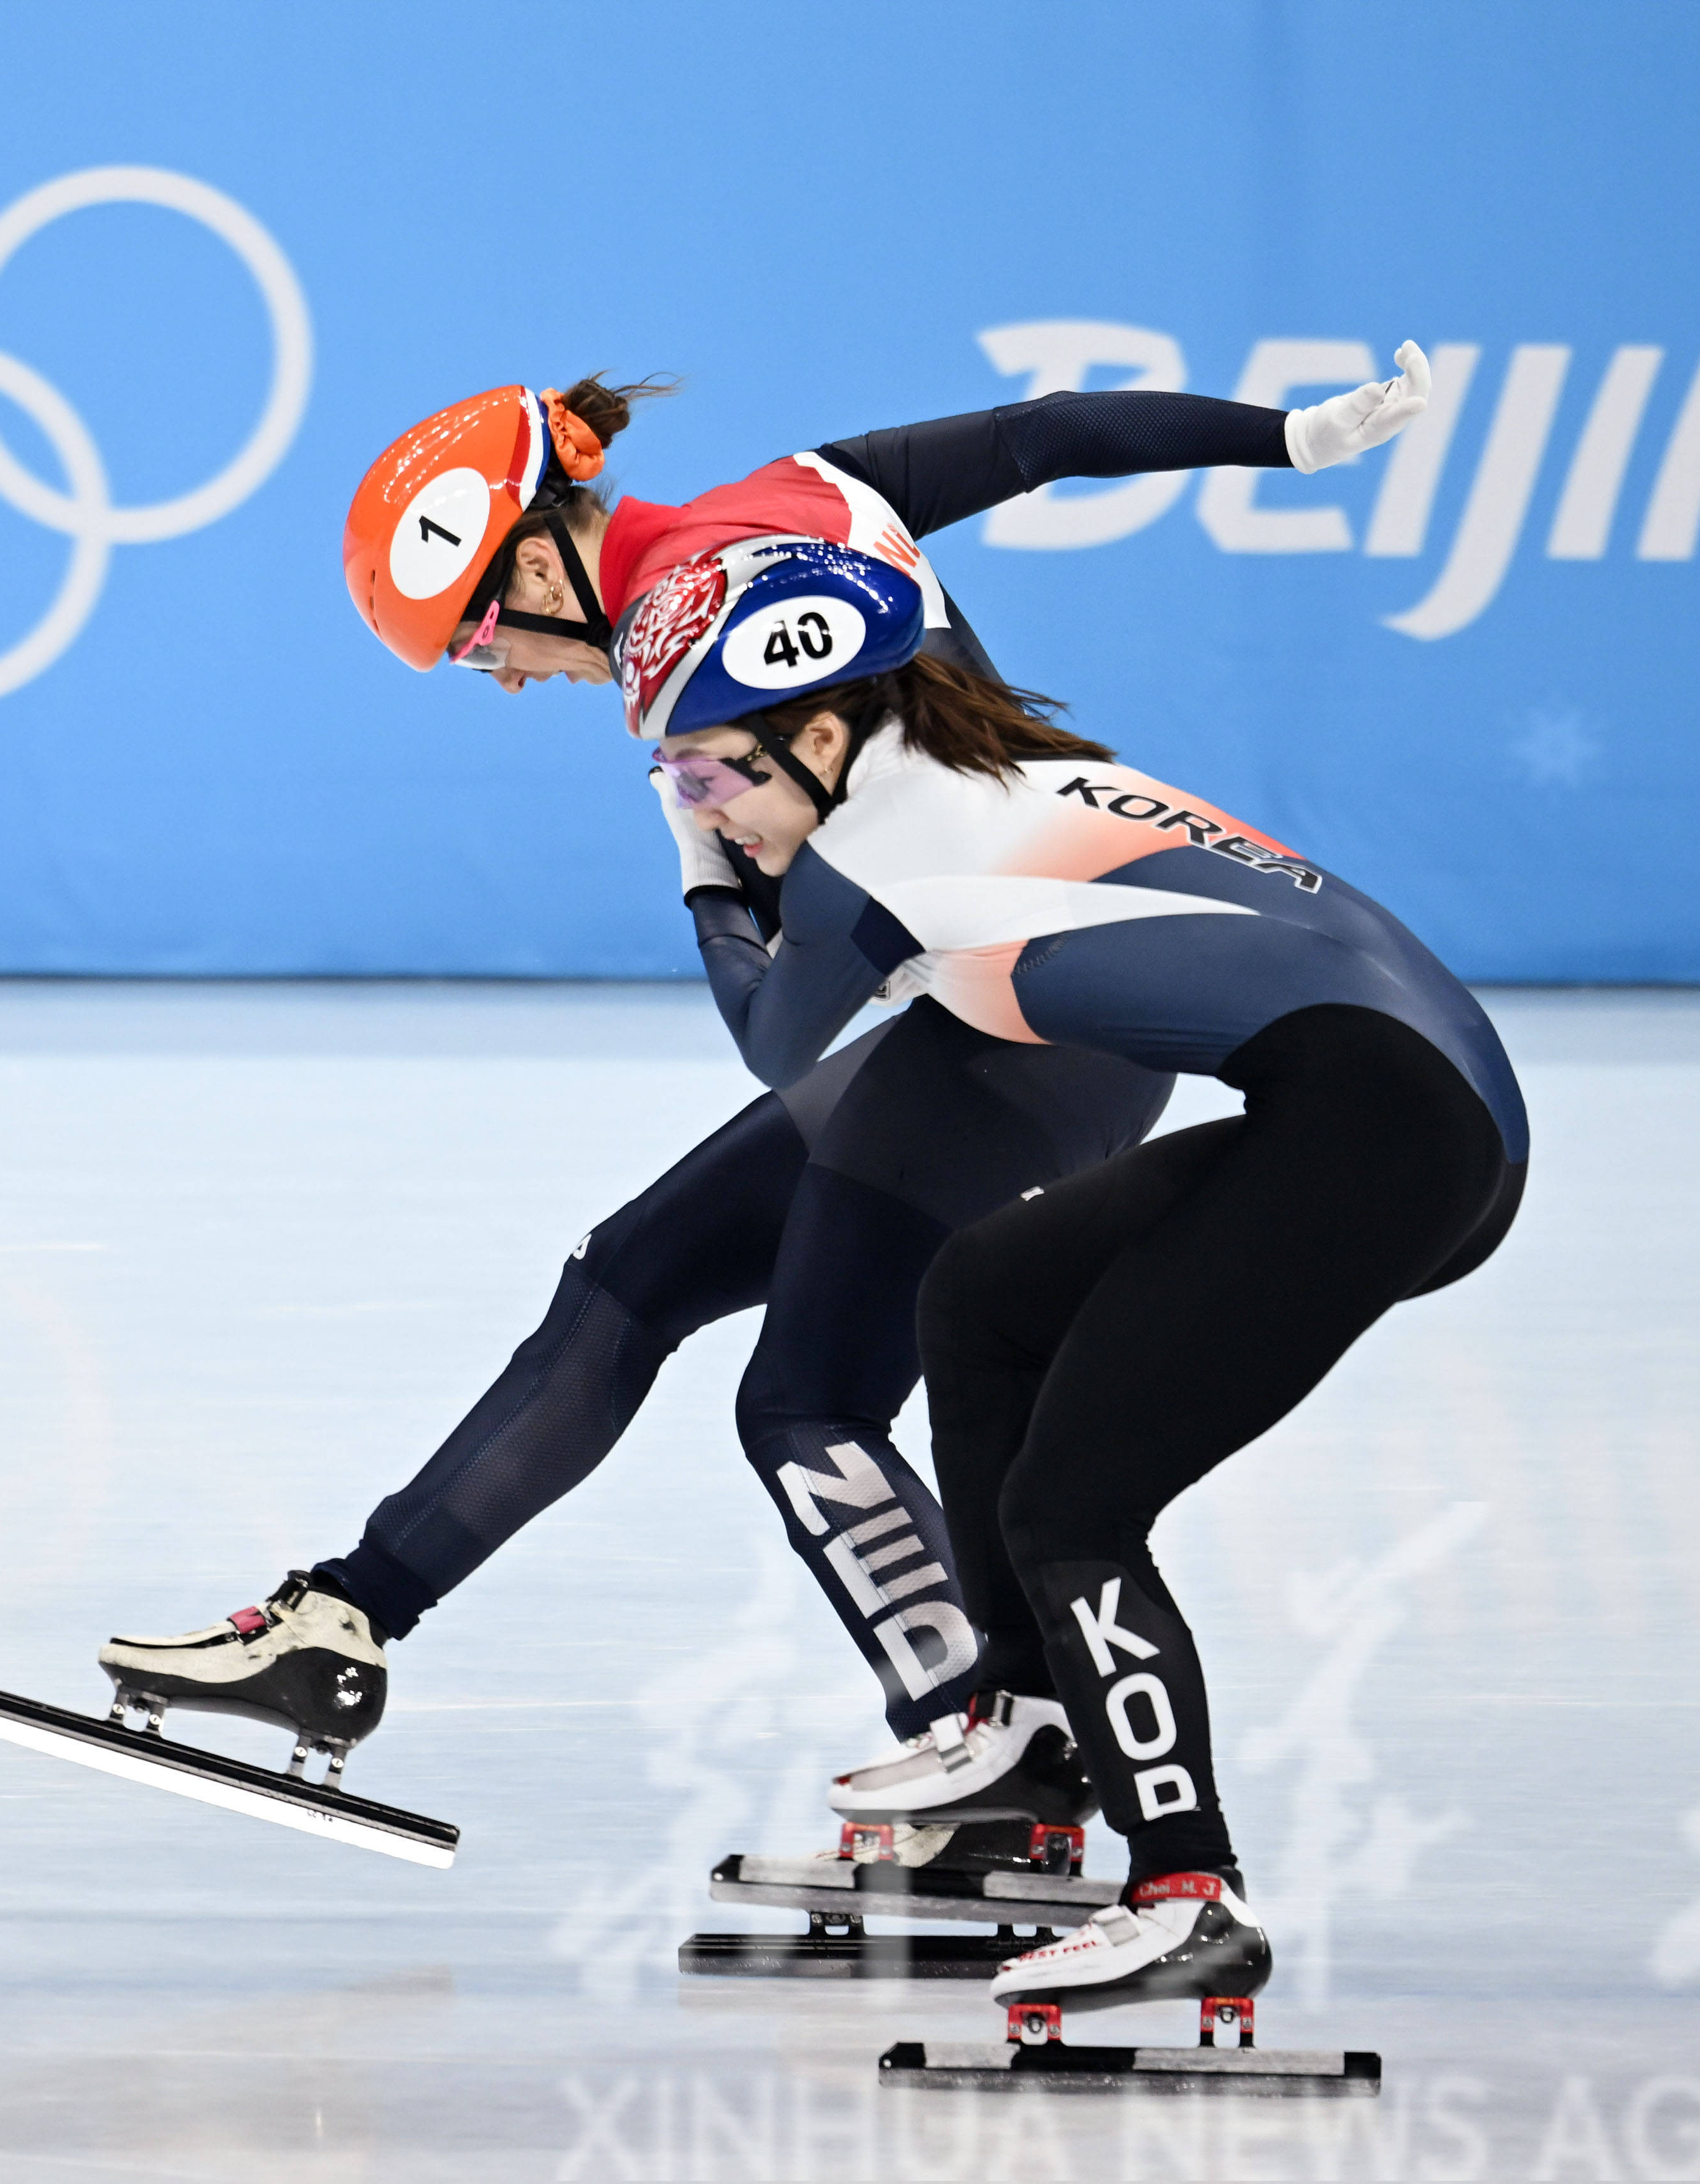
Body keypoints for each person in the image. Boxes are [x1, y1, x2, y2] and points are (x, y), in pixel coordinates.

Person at [96, 356, 1440, 1847]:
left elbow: (781, 1023)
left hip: (1041, 1016)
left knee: (808, 1406)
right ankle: (345, 1624)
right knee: (631, 1277)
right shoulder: (803, 492)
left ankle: (993, 1754)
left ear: (533, 564)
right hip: (986, 997)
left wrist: (704, 878)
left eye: (482, 645)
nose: (507, 679)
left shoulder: (696, 662)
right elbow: (1043, 433)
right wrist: (1286, 440)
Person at [617, 523, 1524, 2015]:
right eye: (679, 788)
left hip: (1384, 1133)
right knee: (984, 1298)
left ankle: (1188, 1893)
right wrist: (721, 809)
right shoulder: (979, 774)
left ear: (822, 736)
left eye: (713, 778)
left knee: (1070, 1505)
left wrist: (703, 883)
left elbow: (774, 1039)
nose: (708, 811)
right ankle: (1032, 1728)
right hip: (1416, 1110)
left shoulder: (866, 853)